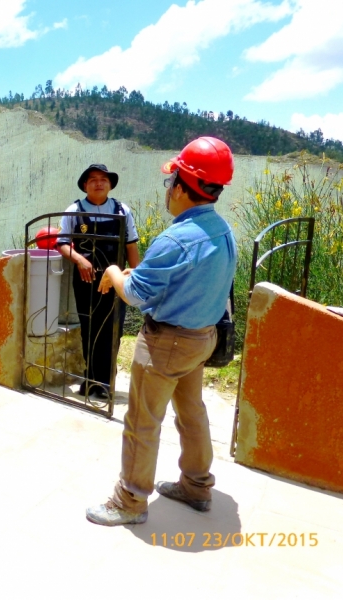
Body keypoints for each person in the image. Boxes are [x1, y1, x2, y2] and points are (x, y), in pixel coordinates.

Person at [86, 137, 237, 526]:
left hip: (166, 343)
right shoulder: (223, 231)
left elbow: (134, 295)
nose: (168, 190)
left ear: (184, 187)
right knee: (192, 413)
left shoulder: (174, 238)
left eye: (171, 182)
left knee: (142, 421)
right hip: (202, 338)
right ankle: (197, 485)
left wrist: (114, 272)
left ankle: (130, 500)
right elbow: (192, 280)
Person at [56, 164, 140, 399]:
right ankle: (91, 380)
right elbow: (62, 242)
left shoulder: (123, 210)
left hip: (116, 280)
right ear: (85, 185)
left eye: (104, 179)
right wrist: (79, 260)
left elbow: (131, 244)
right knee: (89, 329)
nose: (99, 183)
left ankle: (105, 383)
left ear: (110, 184)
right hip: (86, 281)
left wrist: (135, 273)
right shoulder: (74, 210)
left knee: (114, 330)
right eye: (93, 179)